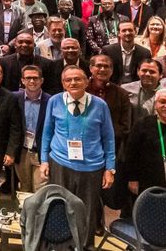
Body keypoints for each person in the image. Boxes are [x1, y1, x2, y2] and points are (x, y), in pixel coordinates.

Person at [40, 66, 115, 250]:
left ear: (86, 81)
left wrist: (110, 168)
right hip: (60, 163)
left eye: (77, 79)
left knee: (86, 213)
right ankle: (58, 244)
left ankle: (83, 246)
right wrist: (43, 160)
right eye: (68, 80)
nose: (73, 83)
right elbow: (47, 132)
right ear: (63, 83)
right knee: (58, 207)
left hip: (91, 168)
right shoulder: (55, 101)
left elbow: (109, 138)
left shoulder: (99, 105)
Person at [15, 64, 50, 193]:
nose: (32, 81)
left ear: (42, 80)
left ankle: (40, 214)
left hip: (40, 153)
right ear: (22, 80)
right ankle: (26, 213)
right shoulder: (15, 98)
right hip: (22, 152)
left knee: (40, 190)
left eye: (35, 78)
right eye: (28, 78)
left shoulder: (51, 101)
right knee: (24, 188)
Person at [99, 19, 150, 85]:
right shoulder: (108, 51)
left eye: (130, 30)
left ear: (135, 32)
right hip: (113, 86)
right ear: (118, 33)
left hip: (135, 88)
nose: (127, 33)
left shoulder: (145, 53)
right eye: (124, 30)